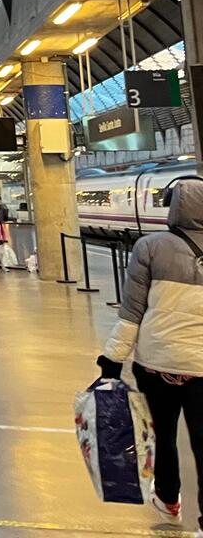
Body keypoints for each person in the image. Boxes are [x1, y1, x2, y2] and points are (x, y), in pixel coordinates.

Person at [98, 178, 203, 530]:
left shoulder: (150, 247)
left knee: (162, 436)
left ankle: (169, 501)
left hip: (157, 364)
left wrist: (112, 359)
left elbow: (132, 311)